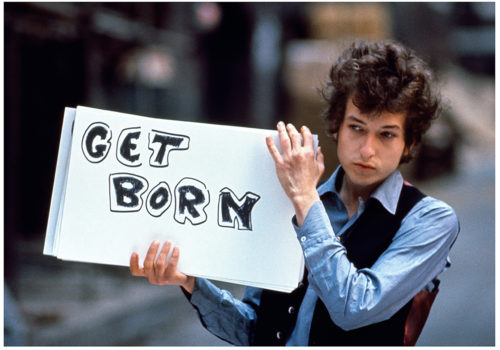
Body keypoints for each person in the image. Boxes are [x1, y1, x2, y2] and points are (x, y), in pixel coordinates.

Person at [129, 40, 459, 346]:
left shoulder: (429, 219)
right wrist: (191, 282)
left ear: (409, 143)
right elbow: (253, 330)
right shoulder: (290, 204)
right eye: (356, 128)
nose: (367, 149)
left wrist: (304, 198)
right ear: (336, 127)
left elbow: (354, 307)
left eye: (386, 135)